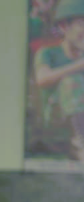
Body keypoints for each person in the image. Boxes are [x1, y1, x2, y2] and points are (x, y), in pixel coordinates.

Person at [34, 0, 84, 160]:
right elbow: (43, 79)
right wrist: (79, 66)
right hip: (56, 121)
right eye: (82, 24)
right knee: (73, 82)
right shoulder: (48, 53)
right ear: (64, 27)